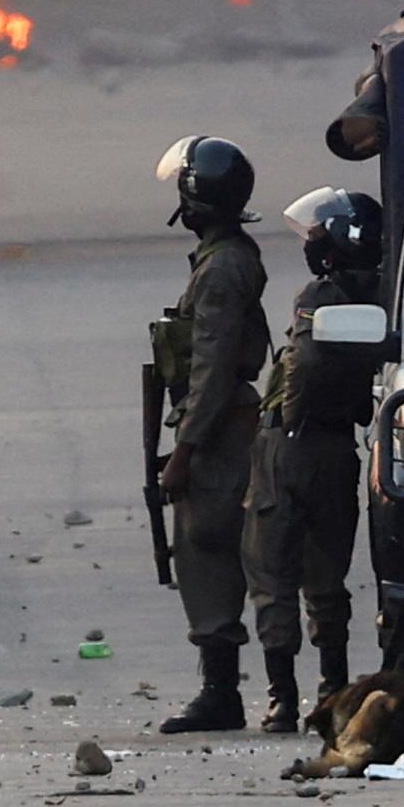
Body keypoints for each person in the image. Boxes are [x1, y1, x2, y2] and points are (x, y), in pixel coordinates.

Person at [246, 188, 386, 731]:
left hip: (293, 445)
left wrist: (291, 420)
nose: (312, 243)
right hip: (338, 448)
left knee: (272, 571)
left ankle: (282, 697)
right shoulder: (381, 294)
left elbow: (301, 364)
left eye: (318, 235)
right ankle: (332, 691)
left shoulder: (320, 295)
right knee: (327, 578)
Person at [151, 135, 271, 733]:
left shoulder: (222, 268)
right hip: (222, 423)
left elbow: (213, 365)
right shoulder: (224, 258)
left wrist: (186, 451)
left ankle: (222, 694)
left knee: (205, 554)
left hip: (222, 432)